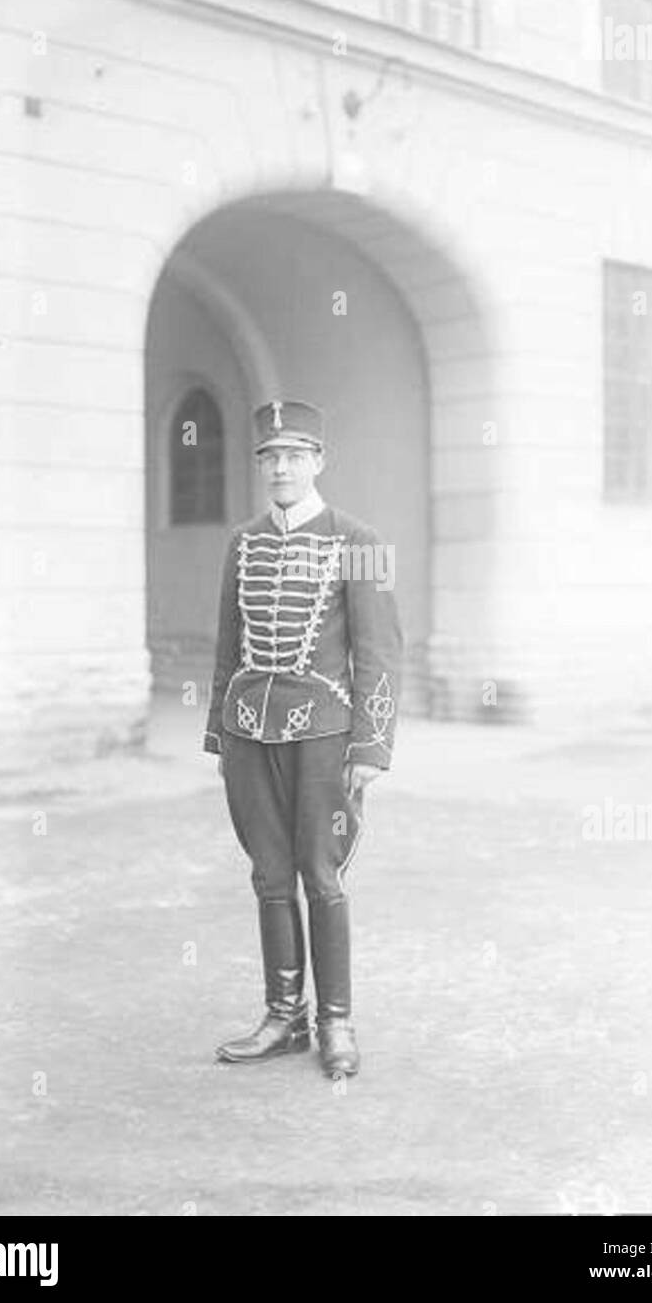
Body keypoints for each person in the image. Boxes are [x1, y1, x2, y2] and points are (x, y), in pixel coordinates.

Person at [203, 399, 402, 1077]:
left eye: (293, 455)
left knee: (322, 875)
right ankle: (282, 1017)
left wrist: (370, 747)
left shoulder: (362, 542)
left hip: (324, 732)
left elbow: (380, 652)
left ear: (318, 461)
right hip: (246, 732)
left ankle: (335, 1022)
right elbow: (227, 646)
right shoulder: (243, 542)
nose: (280, 467)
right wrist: (217, 736)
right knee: (267, 875)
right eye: (269, 457)